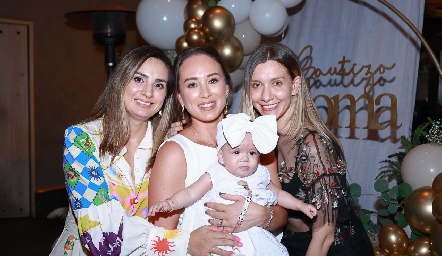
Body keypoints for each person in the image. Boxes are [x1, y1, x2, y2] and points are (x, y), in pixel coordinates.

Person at [50, 45, 238, 256]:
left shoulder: (168, 143)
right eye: (139, 79)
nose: (148, 92)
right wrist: (185, 242)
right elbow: (101, 236)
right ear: (120, 81)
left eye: (158, 85)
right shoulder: (81, 140)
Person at [148, 45, 288, 256]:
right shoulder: (175, 152)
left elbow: (281, 213)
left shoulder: (255, 137)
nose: (205, 93)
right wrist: (188, 243)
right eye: (192, 84)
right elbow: (156, 238)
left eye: (212, 81)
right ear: (179, 97)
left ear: (227, 86)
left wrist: (263, 216)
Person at [240, 43, 375, 256]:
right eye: (257, 85)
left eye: (276, 83)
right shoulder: (263, 139)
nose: (266, 96)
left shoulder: (313, 145)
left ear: (295, 86)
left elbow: (325, 235)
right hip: (291, 245)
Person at [149, 113, 317, 255]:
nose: (245, 158)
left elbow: (279, 196)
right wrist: (170, 203)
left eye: (252, 153)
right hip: (220, 235)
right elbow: (190, 193)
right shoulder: (216, 173)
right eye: (236, 152)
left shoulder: (260, 175)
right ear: (221, 156)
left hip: (254, 236)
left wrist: (301, 206)